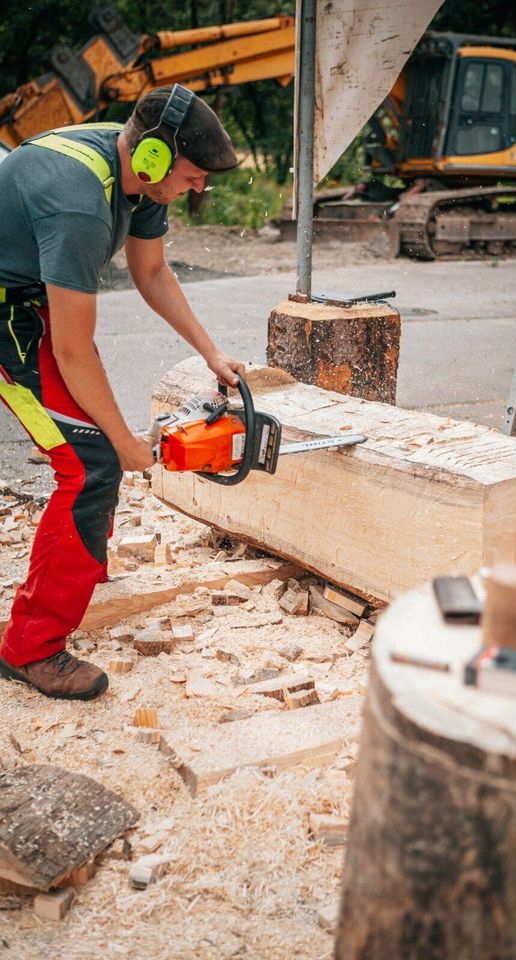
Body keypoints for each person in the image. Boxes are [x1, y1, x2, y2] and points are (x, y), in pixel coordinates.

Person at [0, 84, 245, 700]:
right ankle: (32, 647)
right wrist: (122, 441)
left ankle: (84, 564)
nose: (197, 189)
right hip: (9, 314)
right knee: (90, 463)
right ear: (157, 157)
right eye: (193, 177)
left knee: (95, 449)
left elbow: (152, 271)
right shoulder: (80, 205)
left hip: (29, 299)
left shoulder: (136, 171)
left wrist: (209, 350)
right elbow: (73, 351)